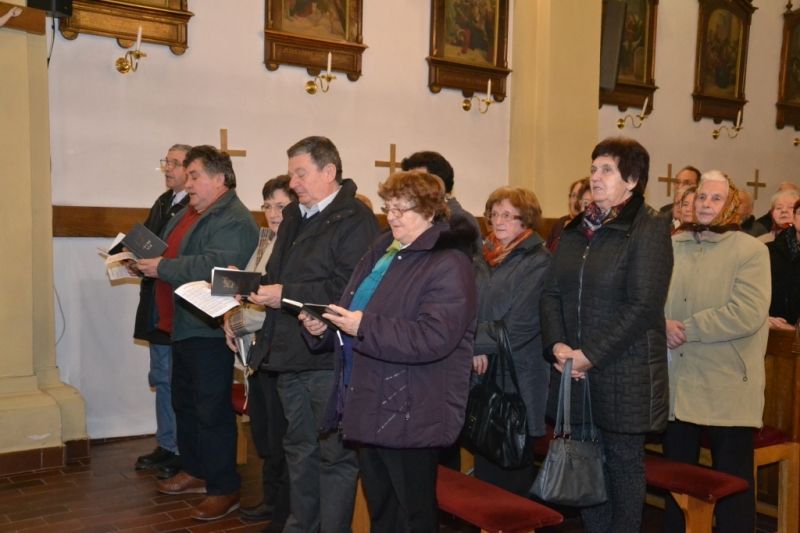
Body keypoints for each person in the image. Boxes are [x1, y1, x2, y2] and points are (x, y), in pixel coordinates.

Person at [300, 170, 477, 531]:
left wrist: (363, 327)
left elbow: (434, 337)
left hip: (412, 404)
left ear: (430, 211)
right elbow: (356, 308)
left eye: (401, 209)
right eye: (389, 208)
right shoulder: (385, 250)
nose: (392, 216)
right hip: (369, 394)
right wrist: (327, 326)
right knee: (382, 509)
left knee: (413, 514)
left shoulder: (449, 262)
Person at [540, 137, 673, 533]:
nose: (595, 177)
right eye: (593, 168)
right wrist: (558, 346)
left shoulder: (649, 227)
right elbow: (551, 293)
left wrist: (589, 355)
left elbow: (643, 305)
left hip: (624, 371)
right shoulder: (575, 229)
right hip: (574, 369)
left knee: (622, 464)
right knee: (586, 463)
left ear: (632, 180)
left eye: (607, 170)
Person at [248, 136, 379, 533]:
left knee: (333, 456)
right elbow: (278, 275)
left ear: (329, 172)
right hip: (289, 351)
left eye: (301, 174)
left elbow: (349, 288)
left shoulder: (355, 219)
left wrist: (284, 294)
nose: (293, 183)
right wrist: (253, 288)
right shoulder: (294, 216)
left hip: (327, 357)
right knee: (298, 449)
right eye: (291, 175)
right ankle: (300, 526)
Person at [135, 145, 259, 521]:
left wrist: (163, 267)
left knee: (210, 410)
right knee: (185, 403)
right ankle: (195, 470)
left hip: (208, 328)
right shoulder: (192, 212)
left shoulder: (234, 218)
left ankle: (224, 486)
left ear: (219, 179)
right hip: (182, 325)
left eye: (195, 176)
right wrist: (143, 262)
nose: (188, 184)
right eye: (186, 176)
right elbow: (171, 251)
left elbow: (215, 266)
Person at [664, 171, 771, 533]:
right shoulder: (674, 245)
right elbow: (651, 297)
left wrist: (688, 329)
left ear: (731, 205)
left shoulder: (751, 251)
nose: (706, 204)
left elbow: (747, 313)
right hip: (680, 380)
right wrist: (661, 323)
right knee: (677, 478)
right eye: (701, 197)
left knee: (733, 482)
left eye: (715, 198)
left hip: (727, 381)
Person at [222, 176, 296, 528]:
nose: (273, 213)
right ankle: (271, 498)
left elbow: (271, 306)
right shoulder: (266, 239)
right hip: (257, 351)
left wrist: (237, 321)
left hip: (277, 349)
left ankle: (283, 510)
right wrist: (229, 316)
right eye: (267, 205)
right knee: (265, 434)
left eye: (281, 205)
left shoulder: (295, 244)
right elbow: (250, 287)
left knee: (281, 437)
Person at [471, 186, 551, 495]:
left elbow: (520, 326)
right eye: (494, 214)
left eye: (508, 215)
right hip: (482, 373)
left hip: (517, 377)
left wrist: (471, 345)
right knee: (484, 466)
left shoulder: (538, 260)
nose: (498, 221)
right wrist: (474, 349)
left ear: (526, 219)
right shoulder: (483, 256)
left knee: (511, 467)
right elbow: (467, 308)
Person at [133, 144, 191, 479]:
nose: (168, 168)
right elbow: (146, 241)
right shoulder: (164, 202)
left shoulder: (194, 207)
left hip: (176, 302)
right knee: (160, 376)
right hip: (155, 302)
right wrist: (131, 259)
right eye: (166, 162)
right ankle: (166, 444)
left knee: (174, 379)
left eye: (175, 163)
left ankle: (182, 449)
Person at [401, 150, 482, 254]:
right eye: (408, 182)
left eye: (418, 183)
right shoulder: (404, 217)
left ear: (439, 185)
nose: (410, 188)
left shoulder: (461, 221)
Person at [767, 198, 800, 330]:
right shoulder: (768, 250)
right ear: (794, 217)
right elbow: (755, 290)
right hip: (771, 327)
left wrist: (796, 328)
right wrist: (763, 318)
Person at [546, 178, 589, 252]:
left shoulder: (589, 227)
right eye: (574, 195)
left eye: (580, 196)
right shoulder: (559, 224)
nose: (576, 201)